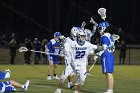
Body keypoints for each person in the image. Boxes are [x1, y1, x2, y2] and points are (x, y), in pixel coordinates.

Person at [54, 27, 81, 93]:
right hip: (69, 62)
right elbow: (61, 45)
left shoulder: (76, 41)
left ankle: (74, 89)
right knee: (64, 76)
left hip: (76, 62)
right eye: (77, 34)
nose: (78, 36)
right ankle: (58, 90)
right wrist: (61, 50)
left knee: (80, 76)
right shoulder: (66, 40)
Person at [96, 21, 115, 93]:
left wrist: (98, 54)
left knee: (108, 73)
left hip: (106, 56)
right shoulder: (110, 36)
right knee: (109, 73)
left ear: (104, 28)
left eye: (100, 28)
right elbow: (113, 48)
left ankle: (110, 90)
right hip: (110, 55)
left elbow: (104, 47)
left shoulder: (104, 36)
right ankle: (110, 89)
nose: (100, 30)